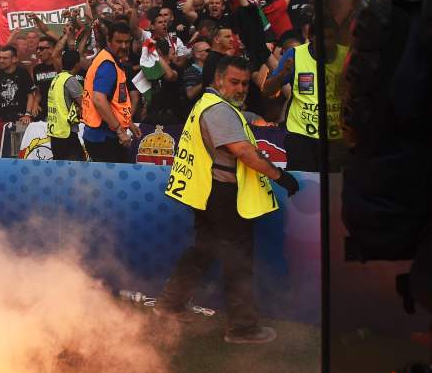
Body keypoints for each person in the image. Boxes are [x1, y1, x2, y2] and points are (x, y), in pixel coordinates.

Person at [155, 56, 300, 344]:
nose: (241, 88)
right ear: (218, 80)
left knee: (204, 251)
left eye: (245, 83)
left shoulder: (212, 106)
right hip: (222, 196)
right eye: (234, 82)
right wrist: (279, 176)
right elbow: (243, 152)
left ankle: (169, 304)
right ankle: (242, 328)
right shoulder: (219, 110)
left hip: (207, 193)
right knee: (238, 260)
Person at [262, 23, 349, 172]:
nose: (327, 43)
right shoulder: (294, 55)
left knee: (333, 188)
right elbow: (267, 91)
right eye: (322, 38)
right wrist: (282, 74)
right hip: (301, 136)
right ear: (310, 38)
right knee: (304, 189)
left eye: (330, 38)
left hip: (335, 139)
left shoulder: (346, 56)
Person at [81, 21, 141, 163]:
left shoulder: (108, 58)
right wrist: (120, 130)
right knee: (116, 183)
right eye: (119, 41)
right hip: (104, 137)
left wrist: (128, 123)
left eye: (127, 42)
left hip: (101, 135)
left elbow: (114, 101)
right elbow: (99, 100)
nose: (124, 46)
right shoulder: (108, 65)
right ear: (109, 40)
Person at [47, 49, 85, 161]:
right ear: (77, 64)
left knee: (59, 168)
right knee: (78, 168)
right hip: (67, 132)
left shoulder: (57, 78)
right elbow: (84, 104)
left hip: (55, 132)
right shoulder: (71, 80)